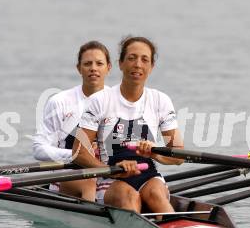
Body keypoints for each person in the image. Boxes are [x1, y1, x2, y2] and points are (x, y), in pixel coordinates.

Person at [72, 36, 183, 212]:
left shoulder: (161, 100)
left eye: (144, 59)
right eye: (132, 58)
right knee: (129, 197)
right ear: (121, 64)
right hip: (110, 179)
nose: (138, 64)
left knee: (156, 195)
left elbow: (178, 155)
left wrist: (154, 153)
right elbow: (79, 153)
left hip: (149, 175)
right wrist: (111, 170)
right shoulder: (99, 101)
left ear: (151, 67)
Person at [33, 41, 111, 201]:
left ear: (108, 67)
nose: (93, 68)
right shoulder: (59, 102)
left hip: (106, 173)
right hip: (68, 175)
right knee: (89, 181)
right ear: (79, 68)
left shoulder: (118, 101)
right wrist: (78, 154)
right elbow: (39, 149)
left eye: (99, 63)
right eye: (87, 63)